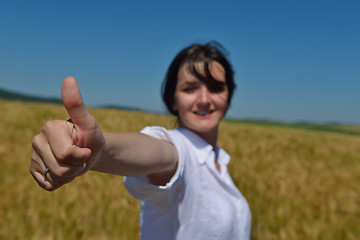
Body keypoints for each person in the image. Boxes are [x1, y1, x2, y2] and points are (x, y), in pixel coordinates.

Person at [30, 42, 252, 239]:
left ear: (228, 95)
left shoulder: (219, 160)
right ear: (172, 99)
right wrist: (100, 149)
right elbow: (156, 152)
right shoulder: (179, 149)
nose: (204, 99)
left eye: (215, 88)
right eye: (190, 88)